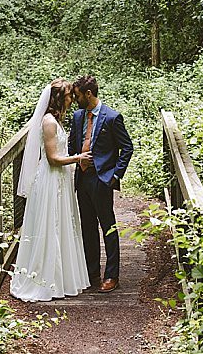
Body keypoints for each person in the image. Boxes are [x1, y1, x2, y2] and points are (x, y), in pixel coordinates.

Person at [10, 79, 94, 301]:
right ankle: (46, 280)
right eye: (68, 95)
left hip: (60, 181)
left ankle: (63, 277)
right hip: (50, 180)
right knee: (51, 226)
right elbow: (53, 158)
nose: (72, 99)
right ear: (58, 98)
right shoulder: (48, 122)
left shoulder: (56, 120)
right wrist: (79, 158)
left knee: (62, 225)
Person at [70, 75, 134, 293]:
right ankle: (92, 272)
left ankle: (111, 275)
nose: (75, 99)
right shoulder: (78, 117)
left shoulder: (112, 117)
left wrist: (115, 176)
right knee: (87, 227)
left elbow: (127, 148)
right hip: (82, 178)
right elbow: (72, 147)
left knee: (108, 226)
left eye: (77, 95)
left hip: (102, 178)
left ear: (88, 94)